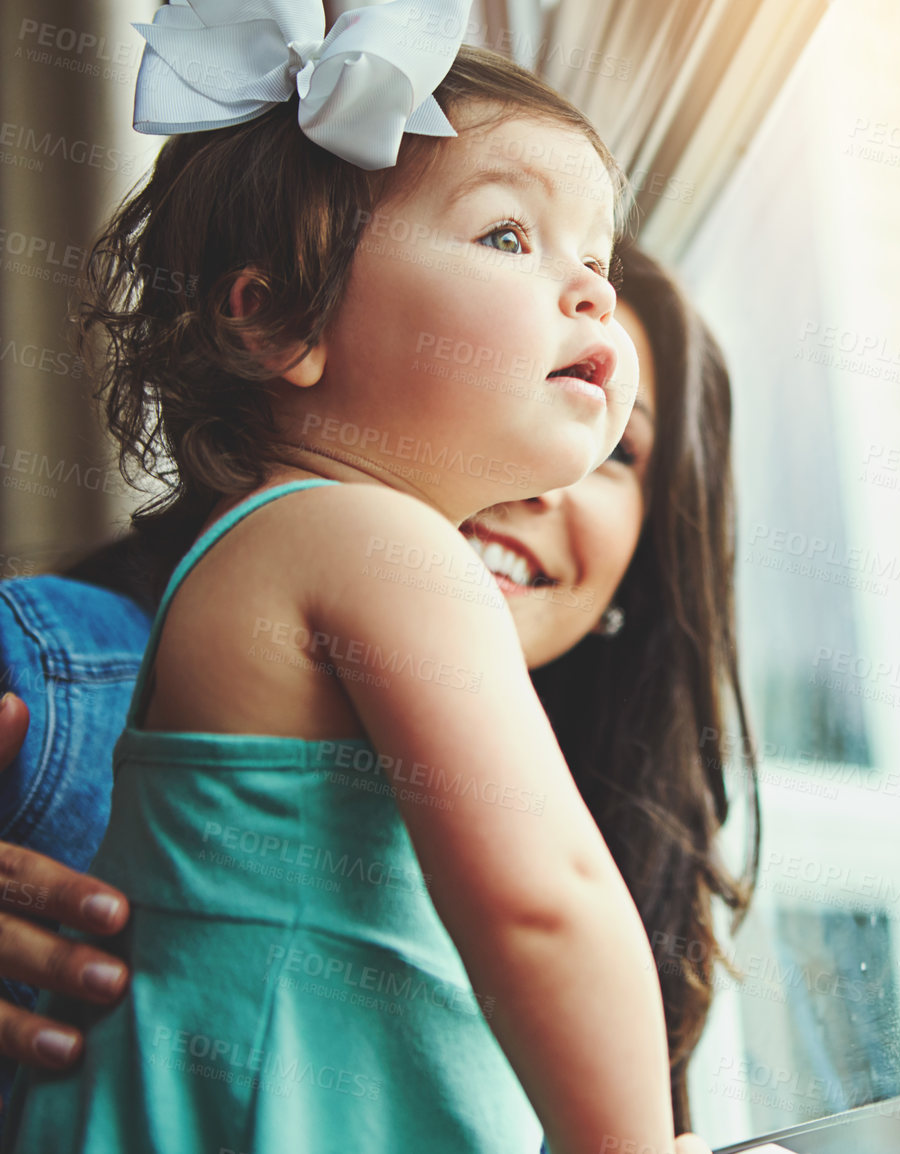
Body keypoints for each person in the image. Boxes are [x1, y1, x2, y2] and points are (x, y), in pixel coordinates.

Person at [0, 8, 692, 1149]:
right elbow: (546, 900)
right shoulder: (380, 544)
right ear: (278, 318)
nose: (587, 292)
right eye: (510, 237)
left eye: (596, 259)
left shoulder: (261, 555)